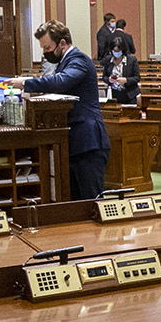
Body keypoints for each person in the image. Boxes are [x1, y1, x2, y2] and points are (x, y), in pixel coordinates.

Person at [26, 22, 110, 200]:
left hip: (88, 142)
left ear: (62, 43)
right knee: (75, 205)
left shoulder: (78, 59)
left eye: (48, 47)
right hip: (75, 142)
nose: (45, 52)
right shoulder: (65, 62)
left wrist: (26, 83)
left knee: (92, 202)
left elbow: (61, 82)